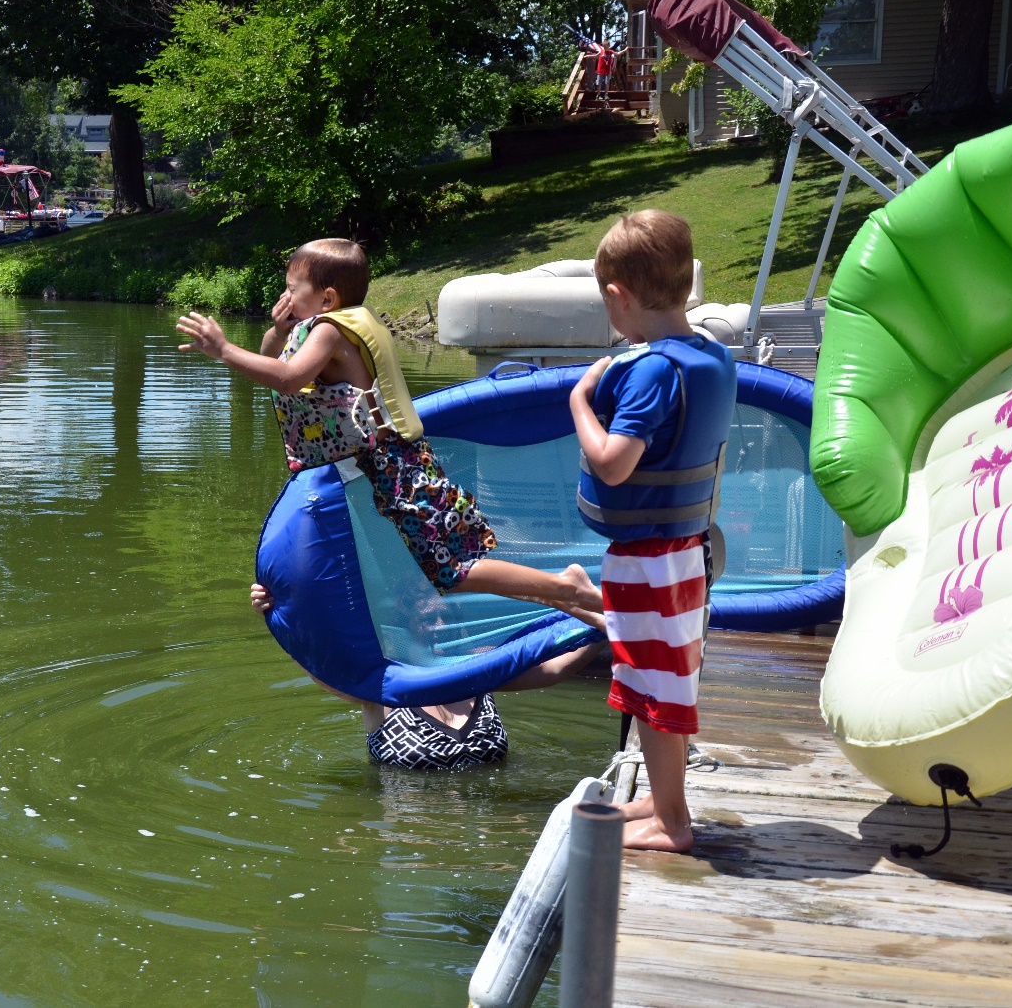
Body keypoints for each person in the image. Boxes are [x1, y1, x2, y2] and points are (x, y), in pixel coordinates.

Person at [176, 238, 604, 617]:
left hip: (394, 468)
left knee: (454, 569)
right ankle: (574, 604)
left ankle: (567, 588)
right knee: (439, 567)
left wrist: (224, 349)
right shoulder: (321, 326)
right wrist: (277, 330)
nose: (285, 297)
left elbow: (287, 379)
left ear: (326, 299)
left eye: (292, 290)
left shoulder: (330, 332)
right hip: (373, 470)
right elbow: (276, 361)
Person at [568, 210, 737, 853]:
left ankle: (674, 823)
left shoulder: (651, 371)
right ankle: (666, 800)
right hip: (684, 548)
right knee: (652, 678)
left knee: (654, 681)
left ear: (618, 296)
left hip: (651, 558)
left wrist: (580, 403)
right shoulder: (710, 355)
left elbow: (613, 466)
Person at [248, 582, 606, 771]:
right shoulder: (383, 683)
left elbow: (555, 669)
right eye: (427, 619)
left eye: (444, 617)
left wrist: (605, 629)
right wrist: (279, 613)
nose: (438, 627)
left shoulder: (476, 668)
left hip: (485, 832)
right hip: (414, 839)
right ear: (407, 625)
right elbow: (322, 669)